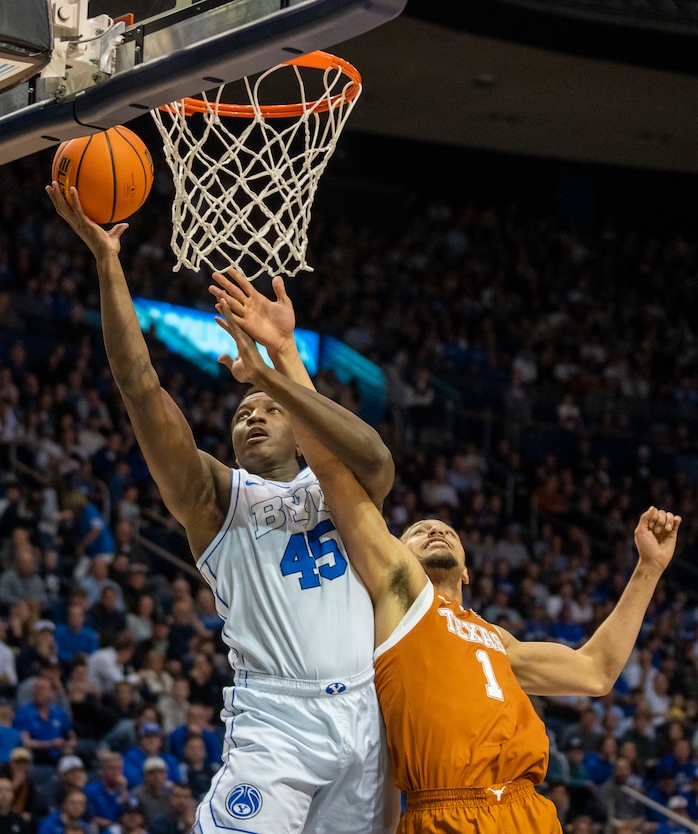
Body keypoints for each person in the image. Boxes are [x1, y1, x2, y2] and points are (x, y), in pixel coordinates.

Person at [215, 289, 682, 834]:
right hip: (446, 813)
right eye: (415, 532)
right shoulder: (397, 599)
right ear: (394, 555)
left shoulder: (495, 641)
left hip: (531, 813)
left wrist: (648, 567)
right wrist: (286, 356)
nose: (434, 528)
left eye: (446, 531)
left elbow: (597, 672)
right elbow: (334, 471)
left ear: (467, 570)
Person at [47, 184, 398, 834]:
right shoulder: (218, 498)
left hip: (369, 720)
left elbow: (373, 453)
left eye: (267, 411)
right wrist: (108, 262)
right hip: (278, 723)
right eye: (241, 414)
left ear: (298, 427)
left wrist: (276, 370)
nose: (252, 417)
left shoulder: (342, 489)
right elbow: (139, 384)